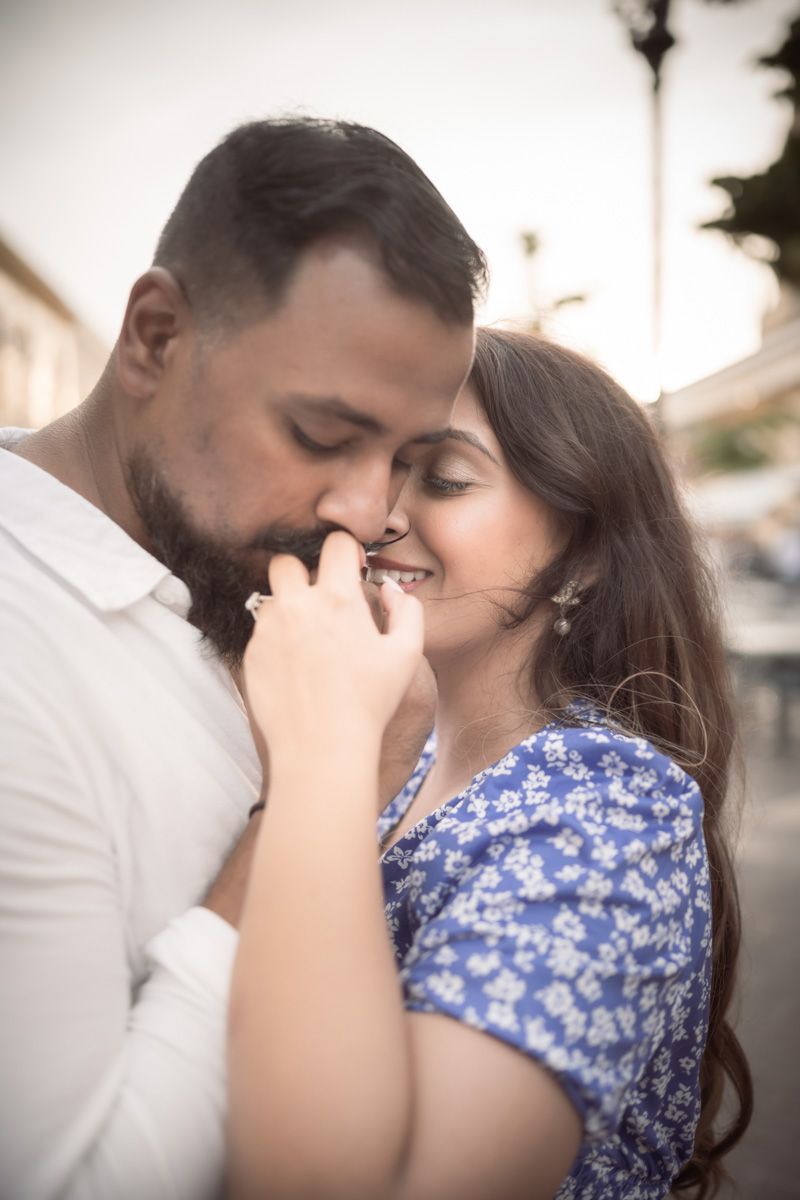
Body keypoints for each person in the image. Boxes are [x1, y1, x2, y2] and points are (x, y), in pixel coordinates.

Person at [0, 117, 484, 1199]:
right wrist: (328, 783)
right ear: (156, 336)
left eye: (410, 460)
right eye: (320, 436)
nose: (364, 511)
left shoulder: (243, 576)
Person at [228, 328, 753, 1200]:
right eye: (377, 469)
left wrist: (317, 758)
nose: (378, 513)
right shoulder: (400, 743)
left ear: (582, 552)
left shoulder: (607, 807)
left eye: (442, 478)